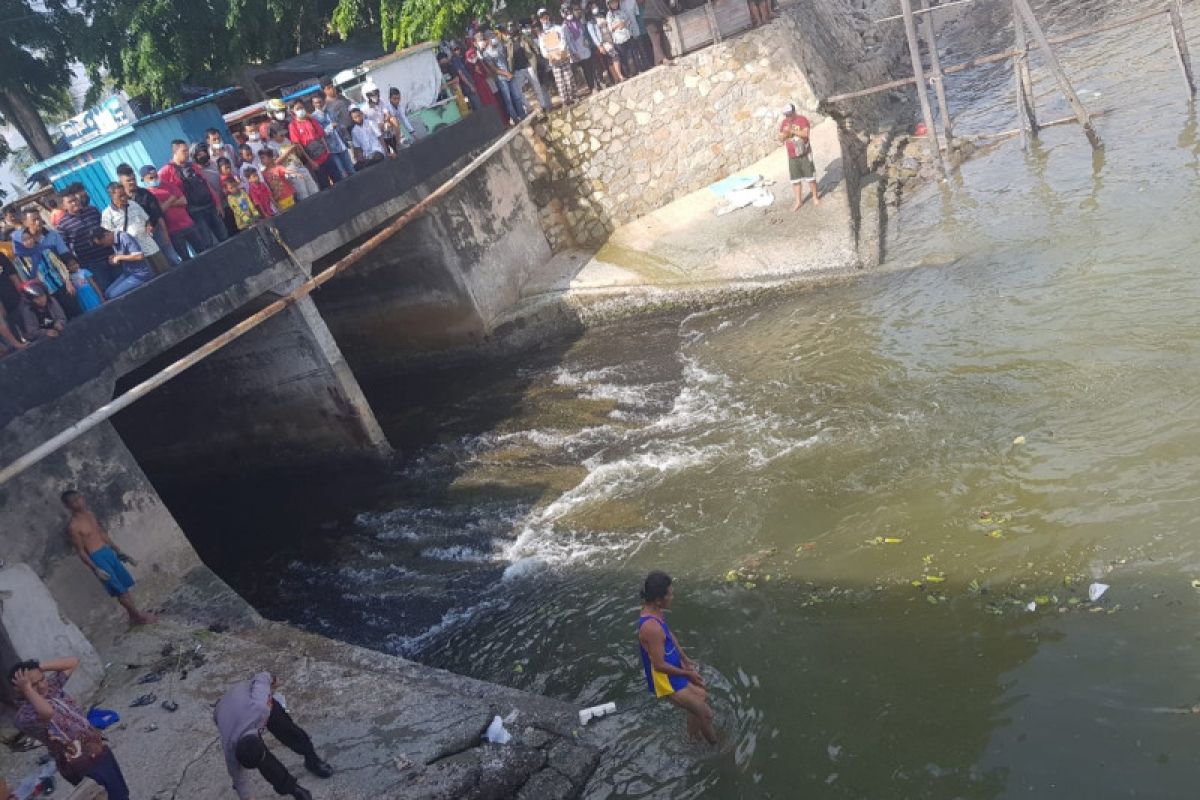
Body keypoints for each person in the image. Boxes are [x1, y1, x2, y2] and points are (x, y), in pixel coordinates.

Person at [9, 657, 131, 799]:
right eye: (33, 685)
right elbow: (47, 712)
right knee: (104, 796)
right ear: (20, 689)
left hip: (97, 749)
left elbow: (72, 662)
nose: (42, 686)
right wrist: (27, 689)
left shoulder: (50, 689)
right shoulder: (23, 716)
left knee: (120, 792)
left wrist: (38, 668)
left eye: (42, 679)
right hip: (79, 763)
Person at [214, 671, 333, 800]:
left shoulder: (260, 706)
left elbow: (262, 676)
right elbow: (237, 776)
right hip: (223, 709)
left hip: (246, 698)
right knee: (268, 766)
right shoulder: (230, 747)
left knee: (288, 729)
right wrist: (247, 797)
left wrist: (274, 679)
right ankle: (294, 789)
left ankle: (312, 758)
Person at [636, 571, 717, 744]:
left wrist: (684, 658)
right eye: (670, 594)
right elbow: (658, 665)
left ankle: (692, 740)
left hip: (673, 667)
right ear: (659, 599)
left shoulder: (654, 610)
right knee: (706, 714)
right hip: (666, 680)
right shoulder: (651, 627)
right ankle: (718, 748)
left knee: (702, 695)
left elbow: (668, 635)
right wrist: (687, 674)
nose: (673, 596)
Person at [62, 489, 157, 625]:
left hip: (107, 552)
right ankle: (140, 618)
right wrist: (96, 569)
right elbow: (81, 552)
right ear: (68, 506)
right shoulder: (73, 527)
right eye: (74, 501)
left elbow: (100, 533)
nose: (79, 502)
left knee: (124, 586)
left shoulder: (90, 514)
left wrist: (117, 550)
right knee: (120, 591)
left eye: (79, 498)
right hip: (97, 558)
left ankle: (133, 616)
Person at [12, 207, 79, 318]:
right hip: (43, 295)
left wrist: (68, 280)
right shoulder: (20, 261)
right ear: (25, 222)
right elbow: (24, 280)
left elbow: (63, 259)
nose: (38, 222)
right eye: (34, 220)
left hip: (61, 284)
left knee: (76, 313)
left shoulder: (50, 240)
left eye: (39, 218)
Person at [159, 139, 226, 246]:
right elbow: (161, 192)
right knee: (207, 242)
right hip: (194, 211)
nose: (187, 154)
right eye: (184, 151)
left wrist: (217, 203)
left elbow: (206, 184)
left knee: (224, 235)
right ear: (175, 152)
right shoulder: (166, 171)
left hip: (210, 206)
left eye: (187, 150)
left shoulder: (192, 166)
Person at [116, 162, 181, 265]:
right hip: (139, 239)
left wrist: (165, 235)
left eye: (133, 179)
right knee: (156, 266)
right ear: (121, 181)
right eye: (128, 181)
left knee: (173, 260)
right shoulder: (120, 201)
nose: (132, 182)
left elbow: (159, 216)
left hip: (156, 232)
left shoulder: (145, 194)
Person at [141, 165, 209, 261]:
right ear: (144, 179)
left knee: (204, 252)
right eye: (151, 178)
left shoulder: (168, 185)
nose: (155, 179)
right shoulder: (147, 195)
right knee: (186, 259)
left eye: (156, 176)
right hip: (173, 231)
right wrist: (171, 199)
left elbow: (184, 201)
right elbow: (160, 210)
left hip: (187, 224)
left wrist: (167, 203)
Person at [101, 182, 169, 275]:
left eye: (124, 194)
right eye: (120, 196)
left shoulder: (133, 204)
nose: (124, 198)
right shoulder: (107, 214)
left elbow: (146, 219)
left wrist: (148, 226)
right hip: (134, 254)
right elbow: (108, 238)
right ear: (112, 196)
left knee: (166, 272)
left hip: (151, 247)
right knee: (151, 279)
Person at [57, 188, 114, 290]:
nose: (75, 203)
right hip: (92, 265)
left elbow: (106, 228)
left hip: (110, 256)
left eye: (75, 199)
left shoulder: (92, 210)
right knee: (108, 290)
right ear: (63, 206)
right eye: (70, 202)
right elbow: (64, 248)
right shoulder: (63, 225)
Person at [89, 227, 154, 299]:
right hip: (128, 273)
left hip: (141, 274)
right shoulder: (113, 242)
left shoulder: (124, 237)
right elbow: (123, 255)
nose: (104, 246)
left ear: (106, 234)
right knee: (107, 293)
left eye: (103, 243)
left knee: (113, 295)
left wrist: (119, 257)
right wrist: (113, 258)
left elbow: (139, 256)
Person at [477, 30, 526, 124]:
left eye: (494, 36)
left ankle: (522, 115)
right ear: (487, 40)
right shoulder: (486, 54)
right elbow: (494, 69)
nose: (494, 38)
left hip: (510, 75)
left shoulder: (499, 46)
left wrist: (510, 71)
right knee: (508, 100)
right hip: (501, 79)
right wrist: (506, 74)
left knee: (517, 96)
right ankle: (515, 119)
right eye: (491, 37)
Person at [288, 99, 339, 189]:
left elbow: (321, 136)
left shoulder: (311, 120)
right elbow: (299, 145)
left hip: (325, 155)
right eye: (298, 108)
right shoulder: (293, 125)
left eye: (302, 107)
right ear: (293, 111)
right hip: (314, 159)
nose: (300, 110)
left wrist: (328, 151)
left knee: (338, 179)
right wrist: (310, 161)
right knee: (325, 185)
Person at [779, 104, 818, 210]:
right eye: (786, 115)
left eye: (789, 114)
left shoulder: (802, 120)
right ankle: (798, 201)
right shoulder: (784, 123)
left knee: (811, 177)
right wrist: (784, 135)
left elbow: (806, 134)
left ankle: (815, 197)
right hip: (792, 155)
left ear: (794, 112)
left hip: (805, 153)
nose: (787, 117)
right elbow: (781, 138)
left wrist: (792, 131)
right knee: (795, 180)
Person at [506, 21, 553, 111]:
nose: (511, 29)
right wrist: (511, 70)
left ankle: (543, 106)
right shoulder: (509, 43)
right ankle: (529, 108)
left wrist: (537, 61)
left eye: (512, 27)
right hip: (518, 70)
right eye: (509, 27)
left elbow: (534, 47)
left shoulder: (524, 37)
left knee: (537, 87)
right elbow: (509, 57)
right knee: (518, 91)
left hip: (529, 66)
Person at [311, 92, 354, 180]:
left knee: (351, 170)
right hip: (331, 150)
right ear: (313, 104)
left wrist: (346, 139)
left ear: (323, 101)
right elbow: (318, 135)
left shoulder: (330, 112)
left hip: (341, 145)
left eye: (320, 102)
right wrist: (330, 127)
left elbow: (340, 127)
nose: (319, 104)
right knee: (341, 173)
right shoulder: (313, 118)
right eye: (316, 103)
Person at [538, 8, 577, 106]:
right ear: (540, 20)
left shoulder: (558, 28)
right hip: (553, 61)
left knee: (569, 79)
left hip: (563, 57)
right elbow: (543, 50)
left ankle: (574, 98)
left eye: (546, 17)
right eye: (542, 18)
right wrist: (549, 56)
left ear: (548, 17)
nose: (545, 19)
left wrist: (561, 53)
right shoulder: (541, 34)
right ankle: (565, 102)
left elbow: (563, 41)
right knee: (560, 83)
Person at [563, 5, 598, 93]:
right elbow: (569, 41)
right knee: (586, 69)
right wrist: (575, 52)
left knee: (592, 67)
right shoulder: (565, 26)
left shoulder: (578, 21)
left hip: (585, 47)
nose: (569, 14)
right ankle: (592, 87)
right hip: (577, 51)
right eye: (567, 13)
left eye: (570, 12)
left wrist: (586, 41)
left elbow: (583, 33)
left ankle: (597, 84)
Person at [604, 0, 636, 80]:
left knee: (630, 55)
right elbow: (610, 28)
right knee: (622, 57)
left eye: (616, 2)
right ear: (609, 4)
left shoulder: (621, 11)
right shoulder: (609, 15)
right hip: (618, 39)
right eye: (612, 3)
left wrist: (624, 23)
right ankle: (626, 73)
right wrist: (618, 25)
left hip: (626, 36)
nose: (614, 4)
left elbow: (628, 21)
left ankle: (633, 71)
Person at [642, 0, 673, 67]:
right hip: (651, 20)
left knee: (658, 40)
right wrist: (668, 16)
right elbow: (660, 8)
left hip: (653, 19)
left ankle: (657, 62)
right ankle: (664, 59)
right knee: (656, 41)